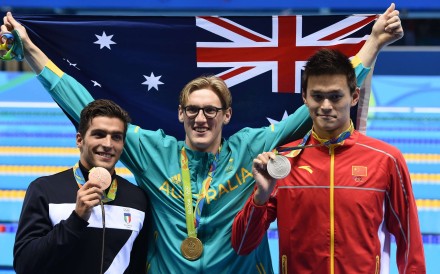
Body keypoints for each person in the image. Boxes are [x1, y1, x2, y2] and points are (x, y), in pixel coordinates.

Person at [2, 4, 403, 273]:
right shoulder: (152, 151)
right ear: (180, 114)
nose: (200, 117)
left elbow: (315, 105)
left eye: (211, 110)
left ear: (226, 115)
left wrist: (373, 43)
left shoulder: (252, 147)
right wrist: (31, 49)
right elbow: (85, 106)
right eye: (192, 109)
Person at [231, 48, 426, 273]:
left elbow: (408, 240)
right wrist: (261, 196)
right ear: (304, 98)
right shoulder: (282, 162)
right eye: (317, 96)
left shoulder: (386, 160)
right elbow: (242, 244)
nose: (325, 106)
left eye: (335, 96)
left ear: (354, 97)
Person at [13, 99, 149, 274]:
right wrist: (76, 220)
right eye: (99, 134)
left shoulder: (137, 198)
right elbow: (25, 265)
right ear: (79, 139)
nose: (108, 144)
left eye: (116, 137)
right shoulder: (45, 190)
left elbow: (138, 267)